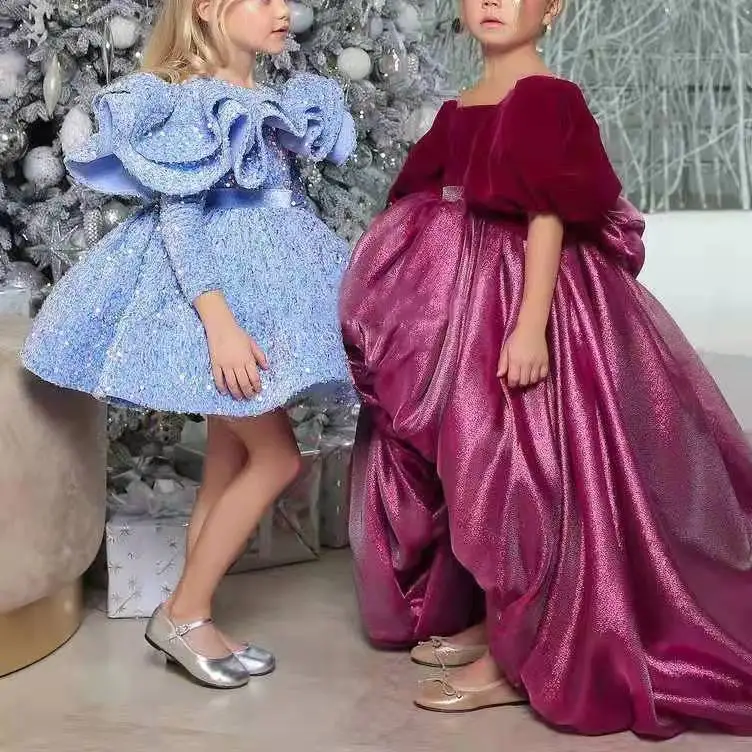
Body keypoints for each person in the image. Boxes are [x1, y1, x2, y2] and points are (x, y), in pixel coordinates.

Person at [340, 0, 752, 737]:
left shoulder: (545, 97)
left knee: (519, 470)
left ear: (552, 7)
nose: (493, 3)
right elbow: (427, 202)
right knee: (470, 465)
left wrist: (531, 325)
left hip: (524, 301)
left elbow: (546, 214)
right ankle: (503, 624)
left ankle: (521, 655)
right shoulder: (462, 105)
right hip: (460, 308)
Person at [22, 0, 355, 690]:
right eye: (263, 0)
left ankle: (194, 616)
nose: (283, 12)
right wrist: (220, 325)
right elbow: (180, 222)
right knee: (277, 457)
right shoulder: (188, 100)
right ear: (207, 8)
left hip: (266, 296)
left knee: (229, 463)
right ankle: (182, 614)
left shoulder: (270, 98)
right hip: (214, 306)